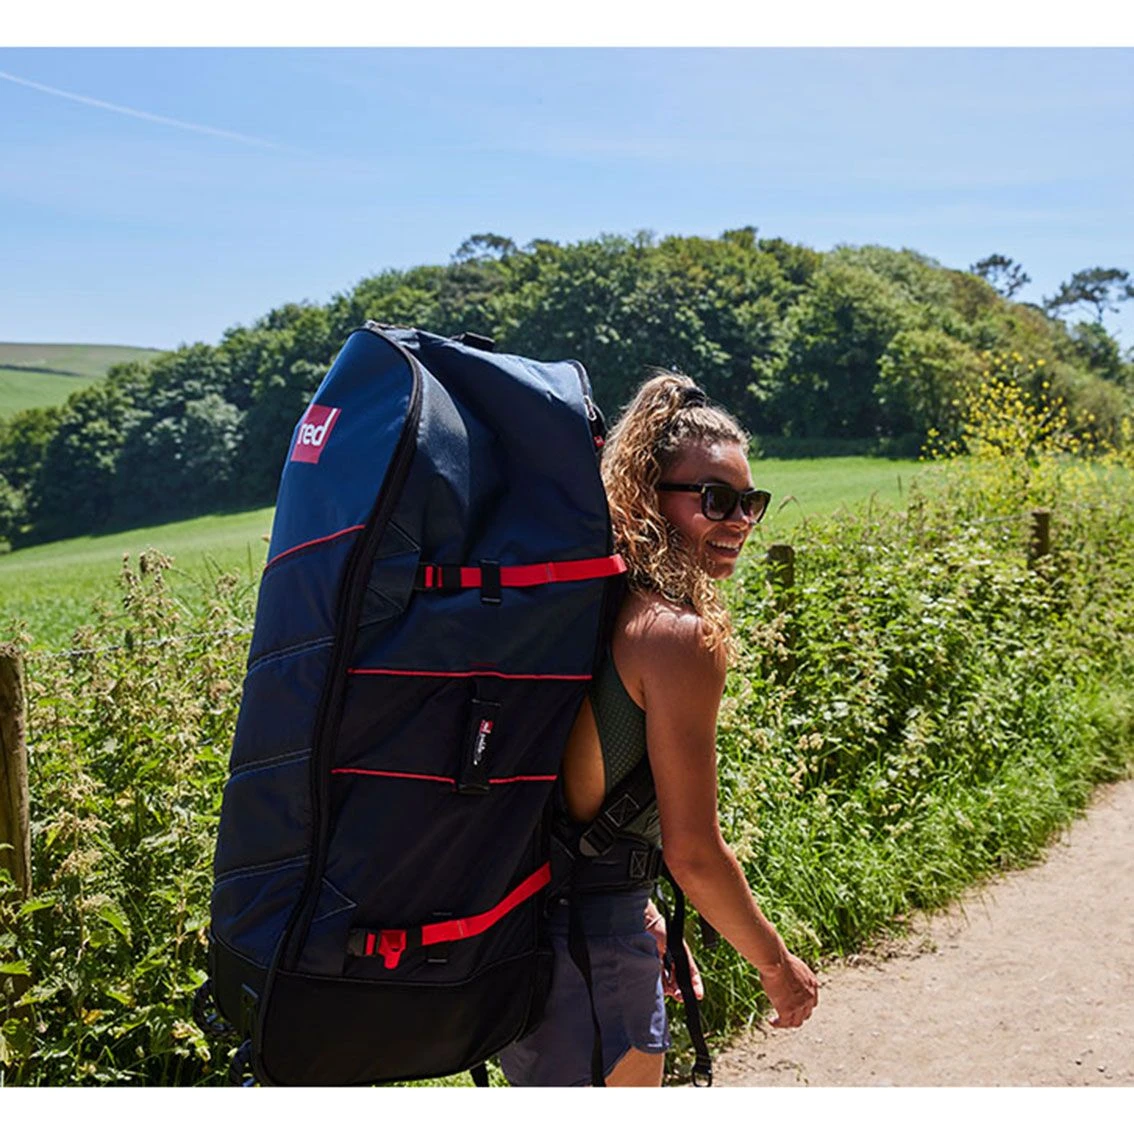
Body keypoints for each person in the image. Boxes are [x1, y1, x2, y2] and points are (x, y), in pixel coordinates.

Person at [499, 372, 819, 1087]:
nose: (740, 520)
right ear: (648, 496)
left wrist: (636, 903)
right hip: (594, 957)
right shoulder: (674, 636)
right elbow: (695, 853)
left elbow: (574, 793)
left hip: (528, 940)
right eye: (716, 499)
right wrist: (777, 967)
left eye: (751, 502)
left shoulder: (595, 607)